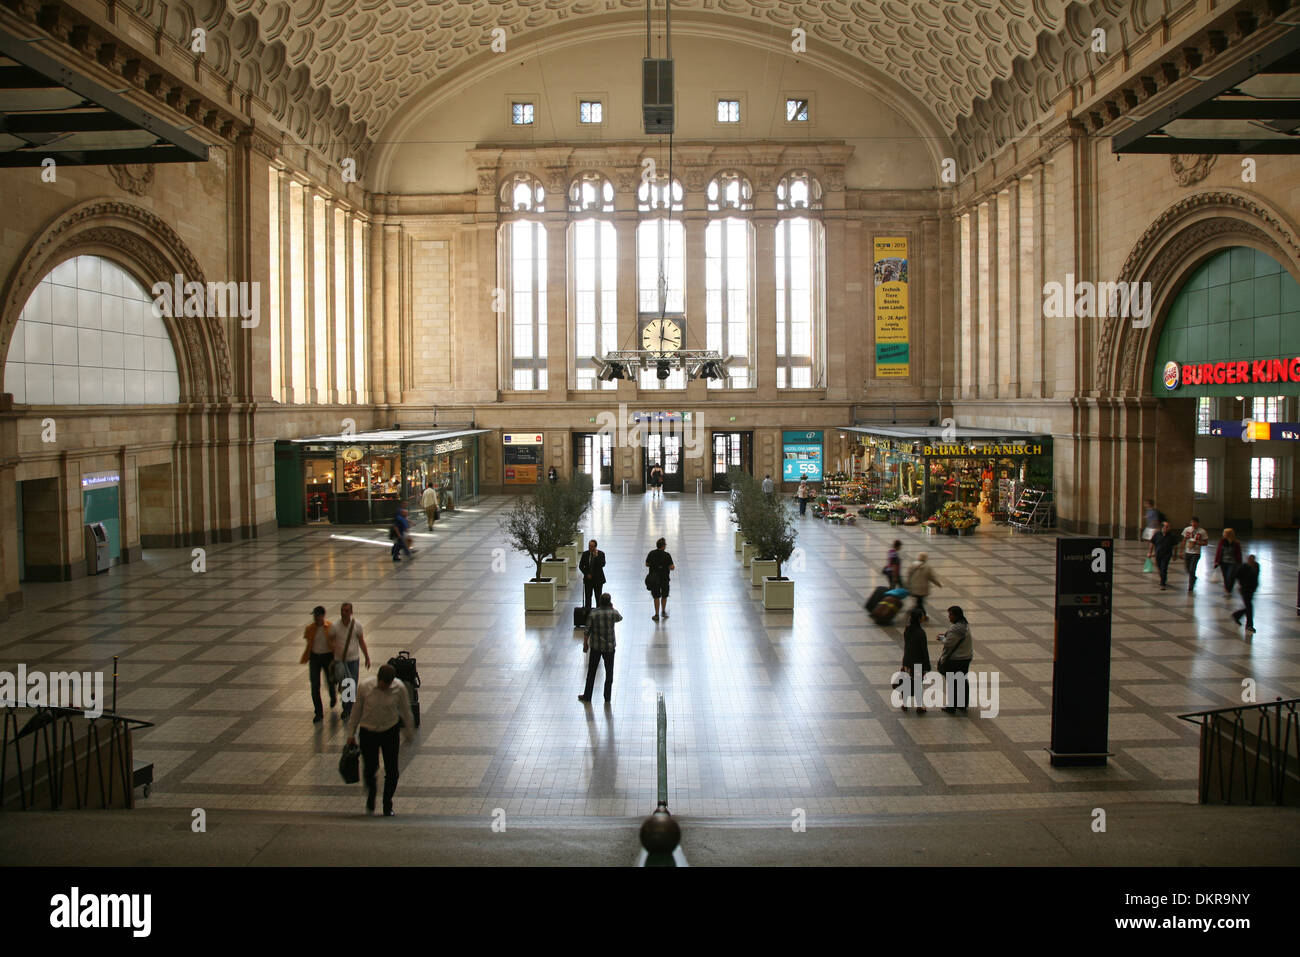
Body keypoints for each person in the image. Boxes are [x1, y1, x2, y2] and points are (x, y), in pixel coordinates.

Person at [345, 664, 415, 817]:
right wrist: (351, 734)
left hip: (390, 732)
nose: (386, 687)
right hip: (368, 732)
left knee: (393, 772)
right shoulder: (365, 687)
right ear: (378, 679)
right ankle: (371, 794)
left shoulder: (399, 688)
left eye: (389, 684)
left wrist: (409, 732)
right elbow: (356, 711)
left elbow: (405, 710)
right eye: (384, 684)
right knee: (370, 768)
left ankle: (387, 803)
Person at [329, 602, 371, 721]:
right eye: (342, 610)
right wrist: (335, 649)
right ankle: (347, 709)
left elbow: (361, 641)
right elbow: (330, 640)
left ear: (351, 612)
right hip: (340, 660)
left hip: (353, 659)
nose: (344, 613)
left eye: (346, 611)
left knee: (352, 684)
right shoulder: (335, 625)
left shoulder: (357, 625)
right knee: (346, 683)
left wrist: (367, 657)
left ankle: (349, 707)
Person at [579, 593, 623, 704]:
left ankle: (587, 696)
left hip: (596, 647)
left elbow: (587, 630)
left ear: (599, 601)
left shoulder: (593, 613)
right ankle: (607, 697)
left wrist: (585, 644)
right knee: (609, 673)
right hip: (609, 648)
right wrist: (611, 608)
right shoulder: (613, 613)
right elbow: (620, 618)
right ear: (609, 602)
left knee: (591, 672)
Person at [299, 605, 335, 723]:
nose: (315, 618)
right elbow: (308, 641)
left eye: (317, 615)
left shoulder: (330, 627)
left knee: (330, 680)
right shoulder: (310, 628)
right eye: (314, 615)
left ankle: (333, 695)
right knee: (315, 686)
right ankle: (318, 712)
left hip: (328, 657)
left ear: (322, 616)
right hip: (314, 658)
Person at [937, 605, 974, 714]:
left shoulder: (956, 628)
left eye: (950, 615)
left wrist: (941, 638)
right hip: (966, 657)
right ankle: (962, 704)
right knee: (962, 681)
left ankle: (951, 707)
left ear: (955, 615)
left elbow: (949, 643)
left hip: (956, 659)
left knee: (953, 682)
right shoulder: (965, 625)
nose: (949, 617)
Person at [898, 608, 931, 713]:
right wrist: (927, 666)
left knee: (906, 682)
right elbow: (924, 650)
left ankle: (905, 703)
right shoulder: (921, 633)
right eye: (922, 616)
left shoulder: (907, 629)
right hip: (917, 662)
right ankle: (919, 706)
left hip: (907, 660)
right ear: (919, 619)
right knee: (917, 684)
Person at [904, 552, 942, 621]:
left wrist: (907, 585)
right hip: (923, 589)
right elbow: (931, 577)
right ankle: (920, 615)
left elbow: (908, 575)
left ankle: (921, 615)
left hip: (914, 588)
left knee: (919, 602)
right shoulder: (927, 567)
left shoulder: (912, 565)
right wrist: (937, 583)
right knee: (920, 602)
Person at [645, 537, 675, 621]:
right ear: (663, 546)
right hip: (664, 579)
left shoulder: (651, 553)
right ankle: (663, 611)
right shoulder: (667, 555)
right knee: (664, 596)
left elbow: (647, 564)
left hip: (654, 579)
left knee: (656, 596)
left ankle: (656, 614)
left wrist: (654, 565)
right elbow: (672, 567)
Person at [1231, 555, 1259, 634]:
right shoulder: (1244, 567)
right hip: (1245, 590)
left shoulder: (1256, 566)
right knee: (1249, 607)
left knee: (1248, 606)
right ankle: (1249, 625)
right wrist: (1240, 585)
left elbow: (1255, 577)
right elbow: (1236, 575)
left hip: (1251, 589)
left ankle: (1237, 615)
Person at [1149, 520, 1180, 590]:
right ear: (1162, 527)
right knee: (1159, 568)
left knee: (1164, 568)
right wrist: (1150, 552)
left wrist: (1175, 555)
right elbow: (1152, 543)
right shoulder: (1157, 534)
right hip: (1158, 554)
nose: (1168, 528)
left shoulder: (1172, 536)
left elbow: (1175, 546)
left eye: (1169, 527)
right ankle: (1163, 578)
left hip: (1167, 555)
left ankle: (1163, 583)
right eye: (1166, 526)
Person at [578, 539, 607, 613]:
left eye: (592, 546)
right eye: (589, 546)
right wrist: (586, 574)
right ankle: (588, 615)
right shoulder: (585, 554)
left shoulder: (601, 554)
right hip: (588, 580)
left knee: (598, 598)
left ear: (595, 547)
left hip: (598, 580)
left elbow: (602, 564)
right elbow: (581, 566)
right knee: (588, 598)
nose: (590, 547)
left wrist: (596, 557)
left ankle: (598, 615)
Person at [1181, 516, 1209, 593]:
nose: (1193, 524)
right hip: (1188, 552)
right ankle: (1193, 577)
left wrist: (1197, 543)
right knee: (1187, 569)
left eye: (1195, 522)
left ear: (1197, 523)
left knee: (1192, 569)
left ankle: (1191, 586)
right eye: (1192, 522)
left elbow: (1206, 543)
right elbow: (1183, 540)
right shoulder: (1187, 530)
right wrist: (1181, 551)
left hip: (1196, 553)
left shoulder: (1202, 531)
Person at [1213, 528, 1242, 598]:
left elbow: (1238, 553)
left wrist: (1239, 563)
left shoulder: (1236, 543)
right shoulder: (1222, 542)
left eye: (1225, 533)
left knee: (1230, 576)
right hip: (1223, 562)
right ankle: (1227, 591)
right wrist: (1216, 561)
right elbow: (1218, 552)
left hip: (1233, 563)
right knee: (1225, 577)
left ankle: (1228, 589)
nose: (1223, 534)